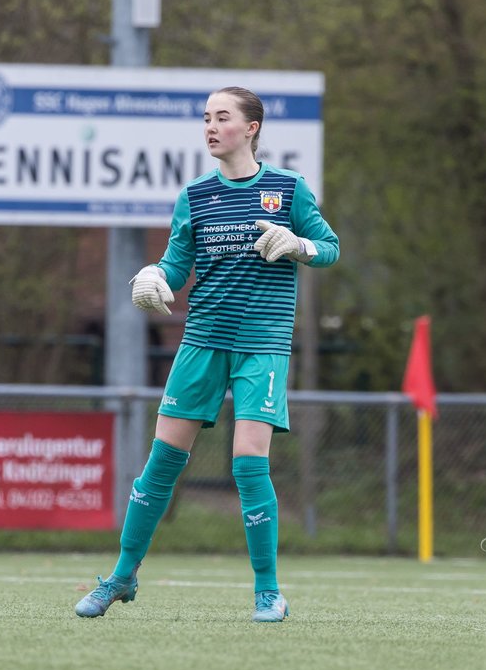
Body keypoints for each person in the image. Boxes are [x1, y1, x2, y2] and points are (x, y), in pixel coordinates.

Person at [75, 86, 340, 623]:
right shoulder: (195, 194)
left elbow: (330, 247)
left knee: (248, 464)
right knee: (160, 466)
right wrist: (154, 275)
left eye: (222, 117)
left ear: (252, 128)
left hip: (261, 346)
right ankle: (120, 579)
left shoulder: (289, 189)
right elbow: (176, 265)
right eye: (206, 118)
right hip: (201, 343)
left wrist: (299, 245)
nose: (211, 127)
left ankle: (268, 592)